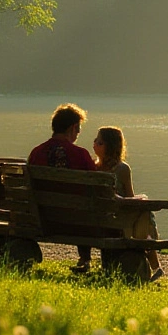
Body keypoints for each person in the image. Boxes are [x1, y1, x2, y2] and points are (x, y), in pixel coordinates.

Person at [28, 103, 97, 272]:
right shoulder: (81, 154)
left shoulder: (36, 153)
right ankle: (85, 258)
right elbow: (98, 189)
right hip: (77, 223)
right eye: (79, 128)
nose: (79, 132)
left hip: (42, 220)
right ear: (73, 127)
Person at [94, 126, 164, 282]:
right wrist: (140, 199)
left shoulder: (93, 168)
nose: (94, 143)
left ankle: (156, 266)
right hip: (117, 222)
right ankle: (155, 265)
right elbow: (130, 198)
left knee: (142, 210)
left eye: (99, 142)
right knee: (144, 210)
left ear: (108, 147)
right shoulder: (122, 169)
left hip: (97, 220)